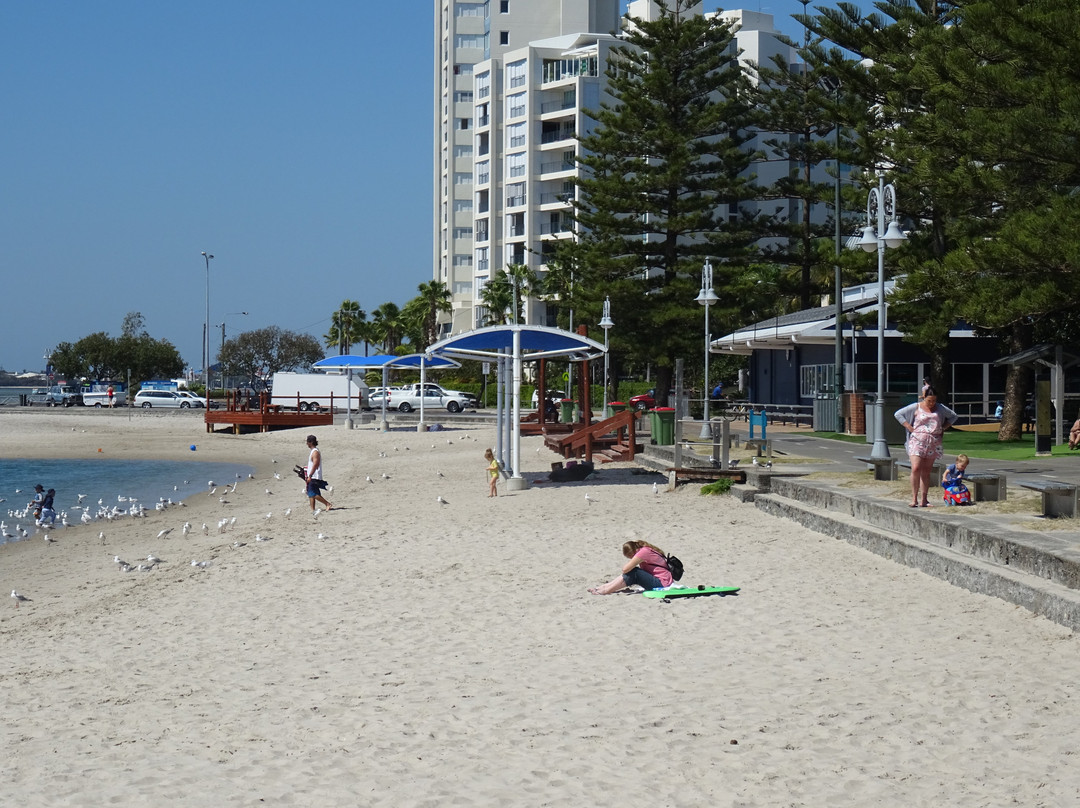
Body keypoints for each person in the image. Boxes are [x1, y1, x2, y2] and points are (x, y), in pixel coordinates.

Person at [895, 386, 959, 508]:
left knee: (926, 471)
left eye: (934, 400)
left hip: (933, 441)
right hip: (917, 440)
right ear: (924, 398)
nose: (931, 403)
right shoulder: (916, 406)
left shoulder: (939, 408)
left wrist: (943, 427)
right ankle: (914, 498)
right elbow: (898, 414)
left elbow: (953, 416)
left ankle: (924, 498)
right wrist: (909, 426)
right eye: (929, 400)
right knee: (916, 468)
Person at [588, 540, 673, 595]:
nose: (631, 558)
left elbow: (625, 569)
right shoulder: (646, 549)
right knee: (633, 571)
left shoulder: (643, 552)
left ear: (634, 552)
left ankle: (606, 590)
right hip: (662, 581)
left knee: (634, 572)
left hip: (662, 584)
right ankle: (603, 587)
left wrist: (631, 564)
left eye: (630, 556)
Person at [303, 435, 332, 513]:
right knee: (310, 492)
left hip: (314, 476)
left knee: (313, 493)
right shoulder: (313, 451)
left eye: (307, 442)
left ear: (311, 442)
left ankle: (327, 504)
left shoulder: (315, 452)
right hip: (312, 475)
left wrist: (310, 475)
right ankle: (312, 509)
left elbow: (316, 464)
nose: (306, 444)